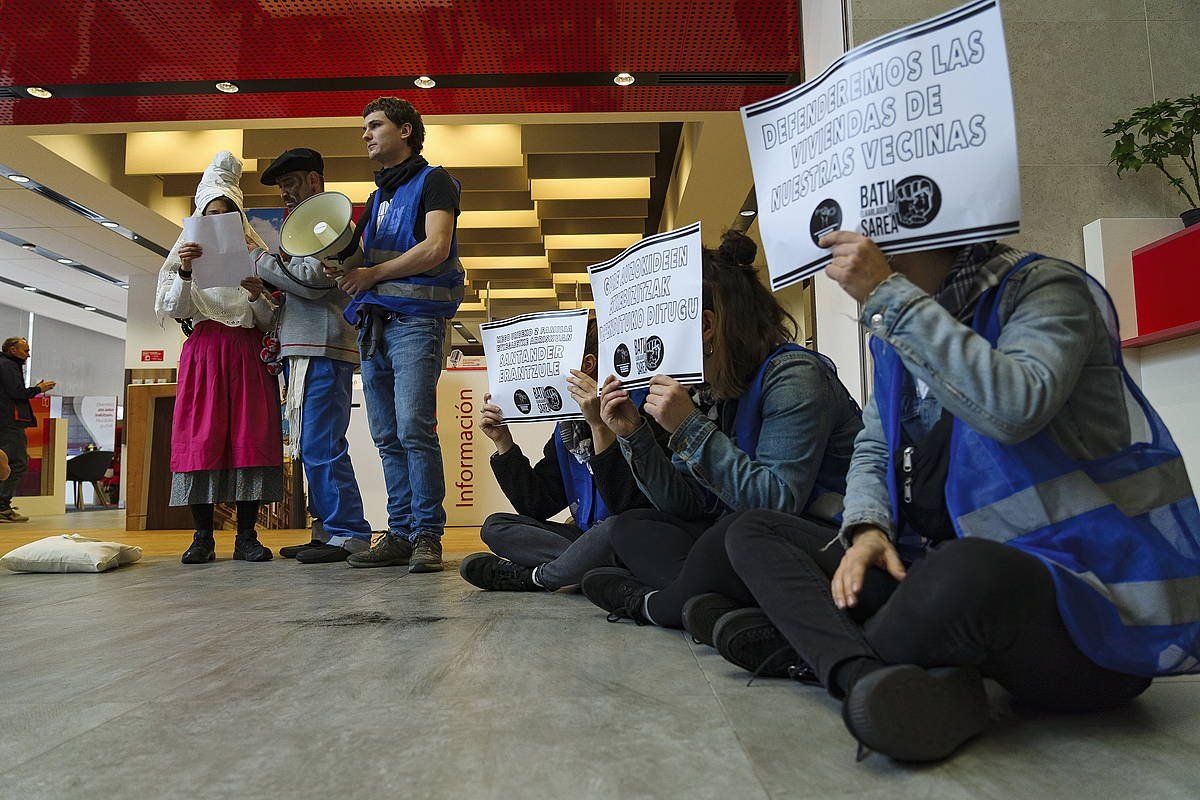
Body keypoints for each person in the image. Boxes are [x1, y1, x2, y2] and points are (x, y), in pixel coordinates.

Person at [718, 234, 1200, 763]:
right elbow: (875, 445)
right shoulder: (893, 328)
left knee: (965, 569)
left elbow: (1012, 408)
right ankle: (868, 680)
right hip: (932, 570)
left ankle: (814, 651)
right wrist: (867, 530)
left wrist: (888, 295)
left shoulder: (1045, 289)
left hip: (1088, 612)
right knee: (754, 530)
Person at [578, 231, 862, 634]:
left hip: (822, 541)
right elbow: (687, 505)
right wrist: (634, 434)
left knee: (731, 534)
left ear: (706, 326)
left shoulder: (795, 376)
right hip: (746, 539)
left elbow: (776, 503)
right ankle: (717, 603)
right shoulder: (721, 389)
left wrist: (688, 426)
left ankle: (659, 605)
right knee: (634, 527)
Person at [330, 97, 464, 573]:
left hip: (416, 323)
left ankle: (427, 534)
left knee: (413, 430)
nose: (365, 134)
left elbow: (436, 247)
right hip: (376, 324)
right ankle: (402, 531)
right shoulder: (380, 197)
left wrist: (371, 275)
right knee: (387, 434)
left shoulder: (435, 182)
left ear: (406, 131)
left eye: (374, 125)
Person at [244, 147, 373, 564]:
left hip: (323, 346)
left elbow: (315, 282)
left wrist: (262, 262)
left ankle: (348, 532)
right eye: (282, 186)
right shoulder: (305, 227)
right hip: (306, 347)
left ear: (316, 181)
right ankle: (326, 530)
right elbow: (302, 286)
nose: (285, 192)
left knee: (321, 442)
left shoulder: (330, 225)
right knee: (310, 444)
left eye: (292, 183)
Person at [459, 318, 655, 592]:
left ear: (587, 365)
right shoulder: (568, 428)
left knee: (614, 529)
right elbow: (538, 506)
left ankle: (537, 577)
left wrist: (600, 427)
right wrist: (503, 442)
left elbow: (629, 508)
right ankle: (586, 569)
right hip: (587, 538)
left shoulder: (638, 410)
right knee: (495, 526)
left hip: (629, 535)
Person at [155, 151, 282, 564]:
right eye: (211, 213)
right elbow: (176, 309)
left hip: (247, 352)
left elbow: (267, 321)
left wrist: (254, 293)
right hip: (205, 354)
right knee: (202, 437)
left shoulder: (258, 255)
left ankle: (246, 534)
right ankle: (203, 536)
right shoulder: (182, 257)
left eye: (227, 212)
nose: (219, 219)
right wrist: (188, 272)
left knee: (250, 437)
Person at [0, 337, 54, 523]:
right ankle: (2, 506)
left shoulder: (7, 364)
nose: (28, 354)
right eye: (25, 350)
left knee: (7, 462)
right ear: (13, 350)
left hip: (6, 421)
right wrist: (38, 388)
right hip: (9, 422)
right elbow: (16, 392)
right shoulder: (7, 366)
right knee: (18, 463)